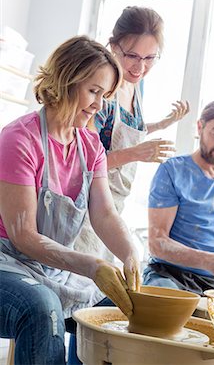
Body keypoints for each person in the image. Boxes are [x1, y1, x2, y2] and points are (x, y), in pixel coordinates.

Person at [0, 35, 140, 365]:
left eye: (105, 95)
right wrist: (92, 265)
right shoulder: (19, 139)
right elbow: (24, 237)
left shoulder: (90, 146)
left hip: (51, 269)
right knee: (42, 307)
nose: (99, 105)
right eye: (93, 91)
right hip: (6, 263)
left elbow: (104, 213)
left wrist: (130, 252)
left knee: (120, 308)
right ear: (65, 81)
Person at [74, 5, 189, 254]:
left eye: (150, 58)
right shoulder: (103, 91)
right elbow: (85, 162)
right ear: (114, 46)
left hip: (114, 203)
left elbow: (117, 135)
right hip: (85, 206)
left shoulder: (137, 85)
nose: (140, 67)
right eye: (132, 56)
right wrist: (137, 154)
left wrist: (160, 125)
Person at [143, 100, 214, 295]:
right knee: (164, 303)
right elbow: (157, 243)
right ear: (200, 127)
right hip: (169, 275)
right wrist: (207, 260)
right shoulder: (171, 170)